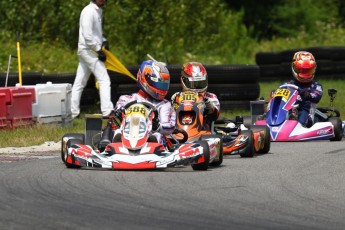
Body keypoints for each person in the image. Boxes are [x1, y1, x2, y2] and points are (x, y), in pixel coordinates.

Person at [112, 59, 176, 144]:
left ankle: (152, 143)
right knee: (117, 132)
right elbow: (115, 118)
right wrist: (118, 114)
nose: (161, 88)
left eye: (163, 85)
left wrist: (157, 126)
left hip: (153, 141)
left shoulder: (164, 105)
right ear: (144, 78)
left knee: (157, 135)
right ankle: (116, 144)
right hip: (127, 136)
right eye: (158, 84)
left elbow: (170, 127)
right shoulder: (126, 99)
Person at [71, 0, 113, 119]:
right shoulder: (89, 11)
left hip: (87, 50)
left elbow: (95, 34)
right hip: (88, 51)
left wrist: (103, 40)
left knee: (80, 82)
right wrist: (98, 49)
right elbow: (87, 35)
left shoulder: (97, 11)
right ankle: (107, 111)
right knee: (104, 79)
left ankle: (73, 112)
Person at [171, 62, 220, 127]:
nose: (197, 88)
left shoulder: (211, 97)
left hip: (204, 131)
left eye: (200, 83)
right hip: (178, 130)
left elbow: (214, 117)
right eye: (193, 84)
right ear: (184, 81)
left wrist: (210, 108)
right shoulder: (177, 96)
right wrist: (172, 104)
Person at [286, 51, 323, 127]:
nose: (305, 73)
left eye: (308, 70)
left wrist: (307, 94)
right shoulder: (289, 84)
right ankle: (268, 119)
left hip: (308, 112)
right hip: (287, 109)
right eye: (302, 70)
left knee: (306, 105)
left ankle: (298, 123)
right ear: (294, 68)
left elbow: (317, 96)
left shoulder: (316, 86)